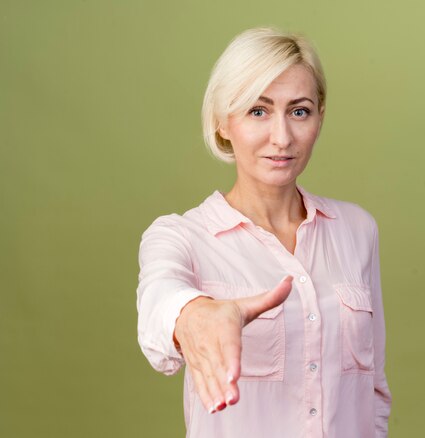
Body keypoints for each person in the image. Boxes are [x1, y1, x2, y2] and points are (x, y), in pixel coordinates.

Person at [136, 27, 392, 437]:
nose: (282, 137)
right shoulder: (180, 236)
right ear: (223, 122)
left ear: (319, 117)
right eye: (258, 110)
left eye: (299, 111)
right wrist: (193, 316)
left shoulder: (358, 230)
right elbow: (158, 301)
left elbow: (374, 393)